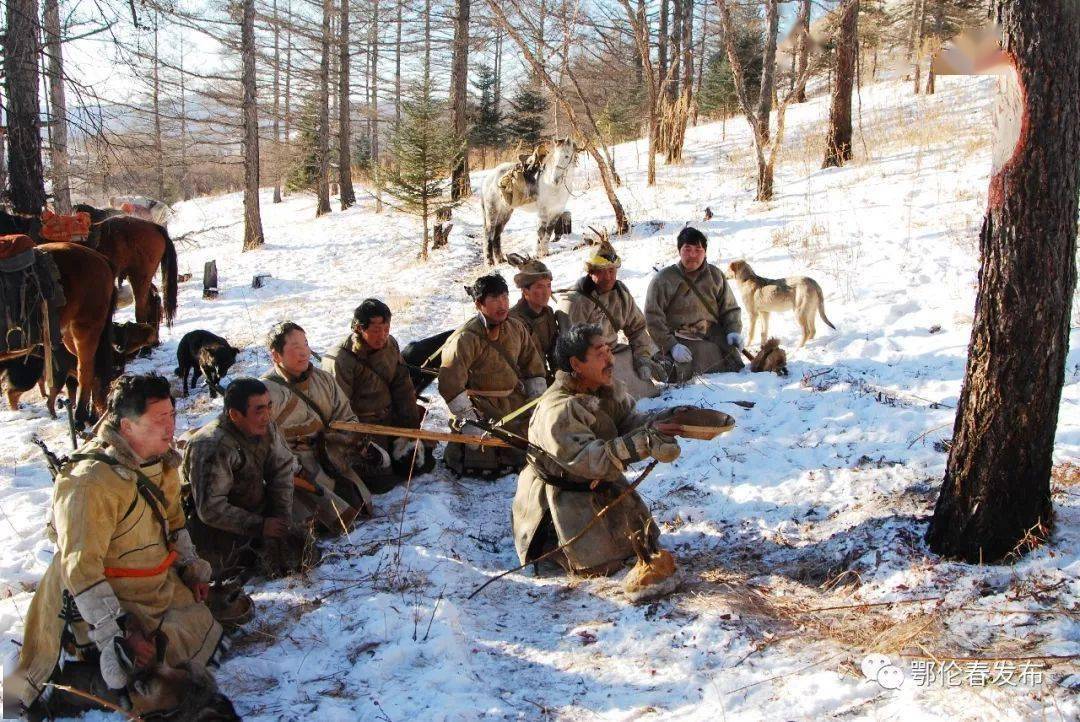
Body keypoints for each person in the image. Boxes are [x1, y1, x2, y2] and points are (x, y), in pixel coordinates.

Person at [4, 374, 223, 715]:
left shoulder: (160, 461)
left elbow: (175, 524)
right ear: (127, 426)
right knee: (146, 670)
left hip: (155, 585)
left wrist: (190, 567)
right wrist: (117, 631)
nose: (170, 427)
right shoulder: (92, 482)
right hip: (110, 598)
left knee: (208, 626)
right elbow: (81, 568)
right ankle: (73, 682)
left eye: (172, 416)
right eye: (158, 420)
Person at [510, 324, 681, 588]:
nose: (610, 358)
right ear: (576, 363)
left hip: (601, 483)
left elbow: (628, 421)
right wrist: (643, 443)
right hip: (564, 495)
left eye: (609, 350)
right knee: (598, 567)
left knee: (644, 543)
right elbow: (589, 460)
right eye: (600, 353)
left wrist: (661, 424)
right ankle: (552, 546)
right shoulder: (559, 410)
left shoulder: (603, 389)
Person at [182, 378, 318, 583]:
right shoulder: (211, 445)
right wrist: (260, 526)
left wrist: (280, 520)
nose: (267, 416)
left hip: (255, 512)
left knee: (300, 549)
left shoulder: (266, 427)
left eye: (269, 407)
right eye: (259, 410)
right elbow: (210, 509)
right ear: (235, 415)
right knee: (235, 569)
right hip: (215, 529)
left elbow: (281, 471)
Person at [262, 321, 376, 531]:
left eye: (305, 344)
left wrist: (346, 438)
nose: (304, 352)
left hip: (330, 452)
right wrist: (293, 467)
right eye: (296, 348)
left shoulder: (324, 379)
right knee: (315, 521)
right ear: (276, 356)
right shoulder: (265, 393)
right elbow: (264, 443)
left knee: (361, 501)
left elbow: (346, 416)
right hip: (294, 465)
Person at [439, 273, 547, 476]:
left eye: (505, 297)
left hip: (514, 402)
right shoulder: (464, 339)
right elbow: (450, 383)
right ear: (479, 304)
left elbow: (532, 365)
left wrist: (536, 402)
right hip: (481, 407)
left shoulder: (516, 327)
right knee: (482, 448)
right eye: (495, 299)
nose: (502, 304)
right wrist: (468, 418)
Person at [323, 299, 435, 492]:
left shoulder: (391, 345)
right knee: (382, 482)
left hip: (391, 421)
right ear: (359, 328)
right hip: (363, 429)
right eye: (376, 331)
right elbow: (339, 409)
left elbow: (403, 386)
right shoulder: (340, 359)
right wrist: (358, 443)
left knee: (423, 463)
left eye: (386, 329)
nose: (382, 336)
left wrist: (410, 429)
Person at [556, 240, 668, 399]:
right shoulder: (574, 302)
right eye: (601, 271)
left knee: (647, 393)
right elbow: (573, 352)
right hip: (592, 363)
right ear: (590, 272)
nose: (608, 277)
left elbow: (637, 328)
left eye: (612, 271)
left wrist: (642, 357)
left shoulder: (621, 293)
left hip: (617, 355)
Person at [644, 226, 744, 381]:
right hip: (678, 339)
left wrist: (733, 331)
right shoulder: (663, 280)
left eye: (698, 250)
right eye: (687, 249)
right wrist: (671, 346)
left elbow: (729, 308)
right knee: (673, 373)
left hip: (711, 336)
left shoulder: (716, 276)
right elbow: (652, 318)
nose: (692, 255)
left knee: (734, 366)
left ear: (705, 252)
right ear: (679, 251)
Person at [507, 256, 560, 382]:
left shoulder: (548, 313)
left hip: (545, 378)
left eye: (548, 286)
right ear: (525, 290)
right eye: (540, 287)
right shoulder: (513, 321)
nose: (546, 292)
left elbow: (554, 350)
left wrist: (560, 377)